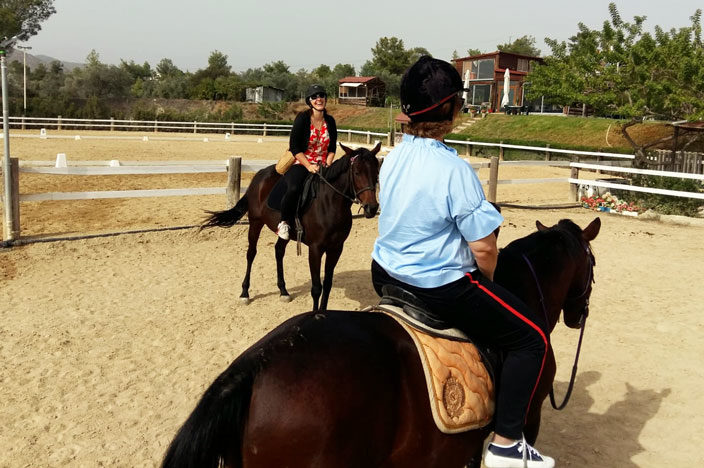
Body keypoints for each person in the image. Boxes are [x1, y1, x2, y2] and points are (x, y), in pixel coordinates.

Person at [371, 56, 555, 468]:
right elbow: (485, 249)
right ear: (452, 110)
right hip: (436, 286)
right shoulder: (454, 169)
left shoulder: (396, 155)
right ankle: (507, 444)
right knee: (532, 340)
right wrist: (487, 281)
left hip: (384, 272)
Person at [277, 84, 338, 240]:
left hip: (324, 164)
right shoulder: (302, 119)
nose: (319, 99)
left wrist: (328, 163)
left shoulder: (330, 121)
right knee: (294, 187)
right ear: (309, 101)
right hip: (303, 162)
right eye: (315, 97)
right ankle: (284, 222)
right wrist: (309, 166)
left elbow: (332, 147)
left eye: (321, 96)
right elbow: (295, 147)